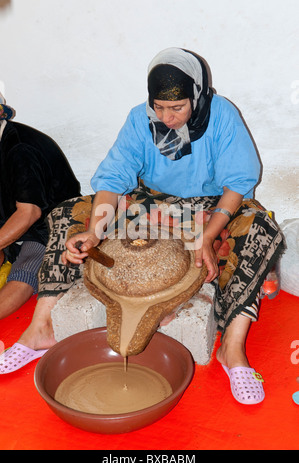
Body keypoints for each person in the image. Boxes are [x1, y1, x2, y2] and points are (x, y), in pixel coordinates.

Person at [0, 48, 285, 406]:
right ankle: (41, 325)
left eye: (177, 107)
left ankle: (232, 347)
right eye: (159, 108)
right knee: (69, 212)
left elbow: (239, 183)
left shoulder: (222, 116)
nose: (166, 117)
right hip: (153, 206)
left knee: (260, 228)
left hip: (211, 207)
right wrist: (95, 231)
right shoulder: (139, 119)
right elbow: (114, 177)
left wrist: (208, 236)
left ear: (197, 96)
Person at [0, 93, 81, 320]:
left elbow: (30, 213)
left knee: (27, 268)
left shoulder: (20, 149)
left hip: (49, 226)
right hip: (14, 226)